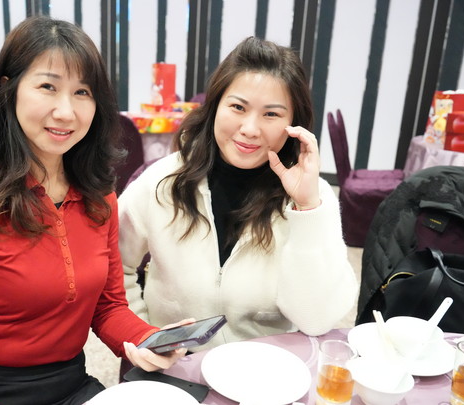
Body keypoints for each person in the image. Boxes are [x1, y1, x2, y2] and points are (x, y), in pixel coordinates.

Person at [0, 16, 186, 405]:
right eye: (48, 87)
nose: (66, 112)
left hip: (69, 384)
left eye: (82, 92)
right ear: (8, 90)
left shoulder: (98, 197)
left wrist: (146, 339)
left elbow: (107, 307)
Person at [119, 37, 358, 349]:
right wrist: (142, 335)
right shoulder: (164, 180)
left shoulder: (313, 197)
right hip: (175, 366)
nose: (250, 129)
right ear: (215, 106)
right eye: (238, 107)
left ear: (293, 125)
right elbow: (111, 265)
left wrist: (307, 207)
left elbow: (317, 320)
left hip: (263, 369)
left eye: (271, 114)